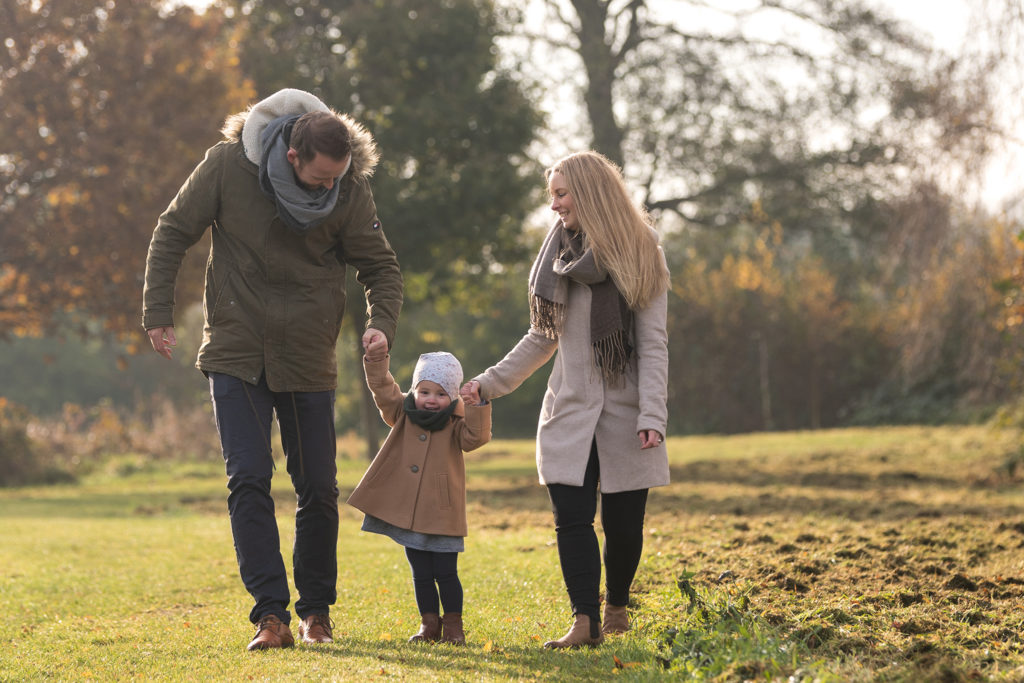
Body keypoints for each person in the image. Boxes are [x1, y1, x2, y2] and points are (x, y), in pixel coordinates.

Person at [141, 88, 403, 651]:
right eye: (321, 178)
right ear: (291, 155)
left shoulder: (349, 187)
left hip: (308, 354)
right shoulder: (228, 166)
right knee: (249, 478)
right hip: (236, 350)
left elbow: (380, 266)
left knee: (317, 487)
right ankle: (270, 617)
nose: (330, 187)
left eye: (339, 177)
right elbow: (172, 232)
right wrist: (157, 312)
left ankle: (315, 614)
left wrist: (381, 321)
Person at [461, 151, 670, 649]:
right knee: (571, 520)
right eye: (551, 194)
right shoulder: (558, 259)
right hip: (568, 413)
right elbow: (541, 337)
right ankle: (585, 620)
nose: (553, 206)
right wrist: (486, 384)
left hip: (627, 414)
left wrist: (652, 415)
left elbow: (655, 343)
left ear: (591, 193)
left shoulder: (644, 254)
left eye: (561, 194)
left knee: (623, 528)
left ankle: (616, 605)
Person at [347, 349, 491, 645]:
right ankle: (428, 623)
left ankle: (453, 625)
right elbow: (383, 390)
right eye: (424, 391)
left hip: (441, 511)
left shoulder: (455, 423)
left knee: (446, 572)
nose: (430, 399)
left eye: (440, 394)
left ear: (452, 398)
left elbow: (476, 437)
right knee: (421, 573)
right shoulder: (402, 411)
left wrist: (477, 406)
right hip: (408, 514)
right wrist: (376, 362)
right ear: (414, 390)